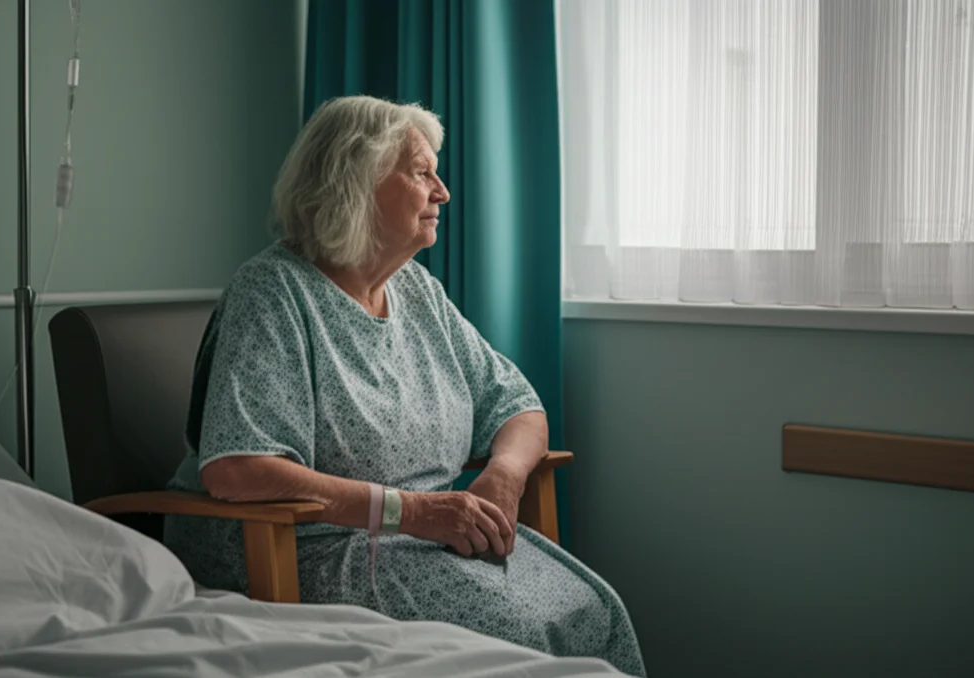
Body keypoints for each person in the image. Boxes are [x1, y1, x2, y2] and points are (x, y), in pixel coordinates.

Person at [164, 95, 646, 677]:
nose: (442, 191)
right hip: (308, 549)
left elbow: (519, 407)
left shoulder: (417, 291)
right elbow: (238, 469)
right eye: (421, 173)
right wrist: (414, 512)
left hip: (426, 540)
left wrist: (502, 477)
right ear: (356, 183)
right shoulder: (272, 294)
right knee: (519, 639)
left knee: (595, 611)